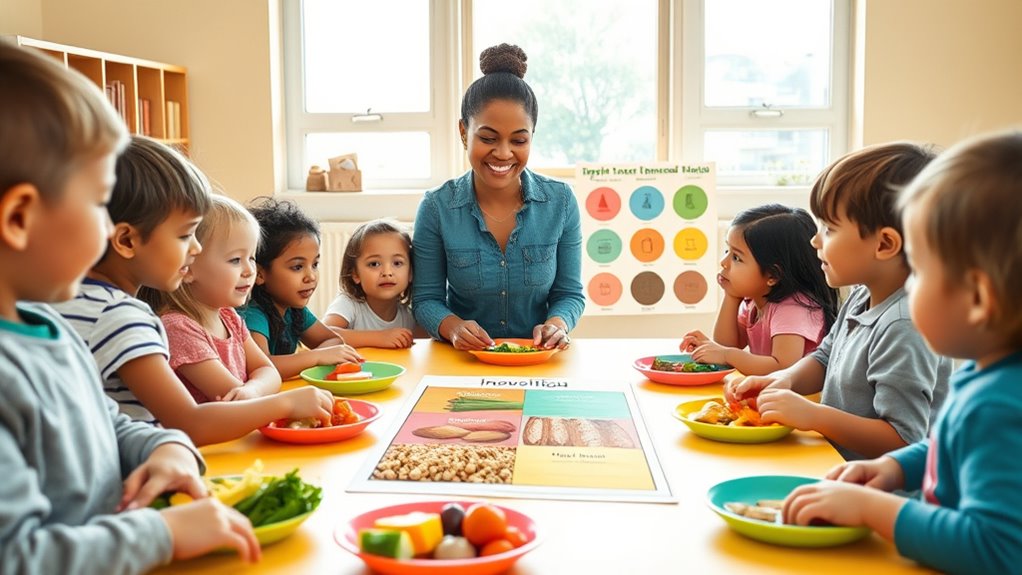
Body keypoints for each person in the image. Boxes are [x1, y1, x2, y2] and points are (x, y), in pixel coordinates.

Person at [0, 43, 259, 571]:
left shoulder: (49, 325)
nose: (106, 224)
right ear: (20, 218)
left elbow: (109, 424)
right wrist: (160, 534)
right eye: (99, 201)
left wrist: (166, 449)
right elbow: (18, 557)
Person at [781, 131, 1022, 574]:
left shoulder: (1000, 404)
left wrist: (874, 510)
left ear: (979, 298)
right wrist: (894, 468)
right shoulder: (987, 371)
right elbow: (944, 444)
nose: (909, 288)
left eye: (921, 273)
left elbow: (997, 550)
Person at [54, 136, 334, 445]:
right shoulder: (119, 317)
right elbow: (190, 424)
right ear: (127, 241)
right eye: (186, 235)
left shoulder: (75, 301)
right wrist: (285, 403)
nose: (196, 248)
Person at [727, 143, 952, 460]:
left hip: (887, 498)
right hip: (841, 471)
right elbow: (824, 357)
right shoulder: (863, 293)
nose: (815, 240)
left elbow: (904, 440)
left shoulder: (904, 324)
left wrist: (814, 415)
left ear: (885, 243)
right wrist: (781, 380)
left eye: (830, 229)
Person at [412, 43, 585, 351]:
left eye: (519, 140)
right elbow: (426, 300)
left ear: (532, 136)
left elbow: (569, 293)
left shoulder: (561, 203)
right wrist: (453, 327)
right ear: (464, 132)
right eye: (488, 138)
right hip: (464, 361)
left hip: (538, 359)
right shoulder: (437, 207)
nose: (504, 153)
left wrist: (558, 325)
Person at [144, 195, 325, 409]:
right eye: (235, 260)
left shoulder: (229, 317)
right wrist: (271, 398)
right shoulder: (178, 328)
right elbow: (231, 397)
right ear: (189, 266)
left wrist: (253, 390)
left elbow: (268, 371)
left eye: (251, 258)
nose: (250, 271)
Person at [680, 204, 838, 375]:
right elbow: (729, 345)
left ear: (773, 275)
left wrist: (726, 355)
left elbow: (783, 367)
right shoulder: (754, 301)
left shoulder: (793, 308)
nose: (724, 262)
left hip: (801, 399)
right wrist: (731, 297)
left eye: (736, 257)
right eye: (727, 250)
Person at [241, 197, 362, 379]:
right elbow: (263, 366)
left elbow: (333, 340)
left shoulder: (294, 310)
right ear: (259, 274)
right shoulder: (252, 313)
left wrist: (316, 357)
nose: (311, 276)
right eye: (297, 267)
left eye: (315, 264)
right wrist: (316, 357)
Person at [323, 218, 426, 348]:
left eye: (397, 263)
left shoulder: (409, 316)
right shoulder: (349, 304)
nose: (387, 272)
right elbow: (323, 335)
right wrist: (379, 337)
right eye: (374, 264)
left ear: (410, 272)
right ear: (355, 274)